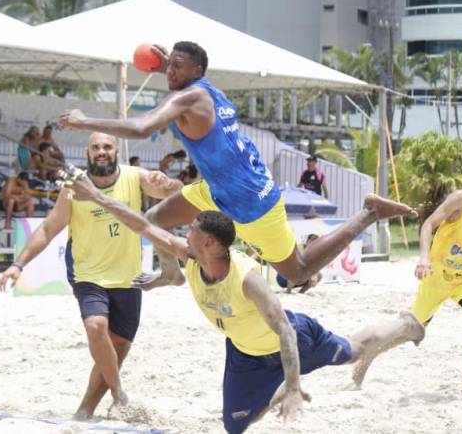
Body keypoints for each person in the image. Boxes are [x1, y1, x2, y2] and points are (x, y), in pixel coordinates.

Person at [64, 171, 424, 433]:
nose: (183, 233)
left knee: (353, 350)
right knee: (234, 426)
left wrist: (294, 386)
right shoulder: (191, 257)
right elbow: (141, 225)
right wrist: (96, 195)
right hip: (244, 353)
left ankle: (406, 323)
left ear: (209, 244)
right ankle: (272, 390)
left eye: (191, 231)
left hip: (295, 339)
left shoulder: (247, 280)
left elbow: (284, 331)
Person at [58, 41, 415, 290]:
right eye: (169, 66)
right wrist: (170, 61)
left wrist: (83, 120)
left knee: (297, 272)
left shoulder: (189, 96)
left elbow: (140, 128)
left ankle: (367, 212)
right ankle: (171, 274)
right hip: (216, 188)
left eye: (176, 68)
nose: (169, 73)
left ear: (195, 70)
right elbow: (184, 75)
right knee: (153, 221)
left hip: (250, 198)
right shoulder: (209, 88)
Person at [0, 133, 182, 420]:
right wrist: (18, 265)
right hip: (88, 274)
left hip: (128, 276)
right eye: (95, 147)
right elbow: (47, 229)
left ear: (116, 150)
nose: (101, 152)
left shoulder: (135, 177)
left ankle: (86, 409)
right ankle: (119, 394)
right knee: (96, 327)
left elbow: (176, 193)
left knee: (118, 346)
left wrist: (167, 182)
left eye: (107, 147)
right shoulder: (75, 187)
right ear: (87, 153)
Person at [353, 156, 462, 397]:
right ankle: (370, 354)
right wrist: (423, 258)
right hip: (436, 276)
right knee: (410, 331)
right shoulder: (460, 199)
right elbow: (428, 226)